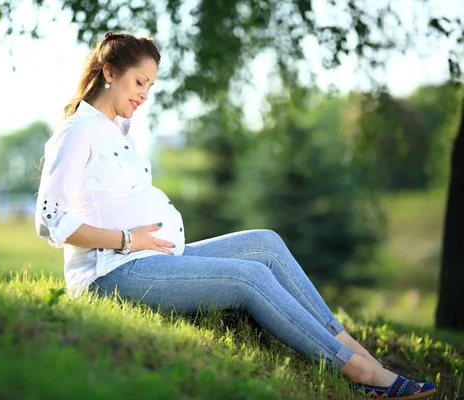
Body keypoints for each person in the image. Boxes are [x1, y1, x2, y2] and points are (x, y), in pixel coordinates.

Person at [35, 32, 436, 399]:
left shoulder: (120, 131)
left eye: (151, 86)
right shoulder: (78, 132)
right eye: (139, 82)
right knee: (249, 277)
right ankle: (362, 375)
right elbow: (50, 220)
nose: (145, 94)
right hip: (111, 273)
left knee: (265, 243)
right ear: (109, 72)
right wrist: (127, 239)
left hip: (151, 258)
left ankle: (361, 354)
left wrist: (143, 242)